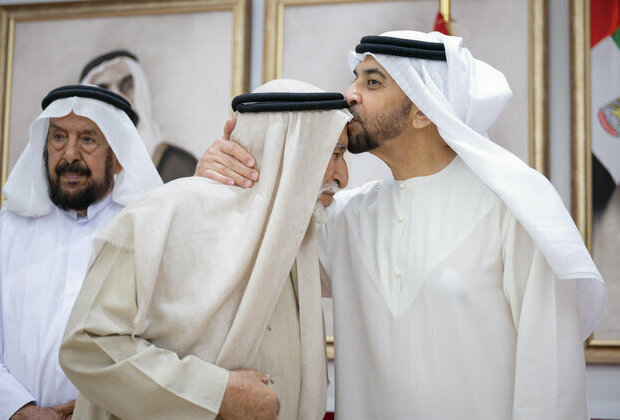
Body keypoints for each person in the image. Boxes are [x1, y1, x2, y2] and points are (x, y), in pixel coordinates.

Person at [197, 31, 607, 419]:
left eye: (372, 83)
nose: (349, 95)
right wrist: (220, 177)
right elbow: (252, 254)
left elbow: (551, 380)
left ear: (424, 110)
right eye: (355, 78)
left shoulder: (511, 209)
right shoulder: (345, 218)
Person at [59, 79, 351, 420]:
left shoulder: (301, 241)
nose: (342, 176)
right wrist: (216, 394)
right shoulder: (161, 217)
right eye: (333, 154)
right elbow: (88, 346)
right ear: (289, 147)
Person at [0, 85, 162, 419]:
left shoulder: (148, 230)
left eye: (87, 139)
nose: (70, 154)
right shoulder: (8, 228)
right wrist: (18, 408)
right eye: (58, 137)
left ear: (117, 157)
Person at [80, 50, 198, 181]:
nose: (118, 98)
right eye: (103, 91)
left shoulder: (177, 164)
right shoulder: (77, 170)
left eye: (127, 85)